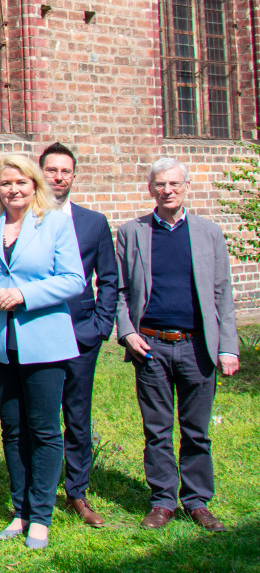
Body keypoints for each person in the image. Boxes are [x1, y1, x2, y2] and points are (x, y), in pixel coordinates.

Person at [0, 155, 85, 550]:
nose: (14, 190)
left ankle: (41, 516)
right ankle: (20, 510)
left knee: (44, 430)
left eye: (22, 183)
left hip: (43, 341)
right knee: (12, 429)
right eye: (6, 183)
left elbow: (74, 279)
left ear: (35, 186)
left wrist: (25, 295)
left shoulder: (57, 223)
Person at [115, 158, 239, 533]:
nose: (167, 190)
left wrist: (228, 346)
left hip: (197, 345)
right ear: (150, 189)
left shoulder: (208, 232)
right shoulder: (132, 232)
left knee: (196, 429)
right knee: (156, 429)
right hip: (150, 345)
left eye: (174, 183)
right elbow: (117, 290)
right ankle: (163, 500)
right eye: (159, 184)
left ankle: (197, 501)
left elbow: (223, 294)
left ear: (186, 186)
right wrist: (126, 332)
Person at [39, 143, 118, 528]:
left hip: (80, 332)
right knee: (39, 414)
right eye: (51, 170)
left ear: (73, 176)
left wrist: (101, 326)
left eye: (64, 171)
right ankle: (38, 487)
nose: (57, 177)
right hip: (37, 331)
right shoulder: (27, 218)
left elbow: (110, 278)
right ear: (41, 173)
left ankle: (77, 492)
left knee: (78, 414)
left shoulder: (92, 223)